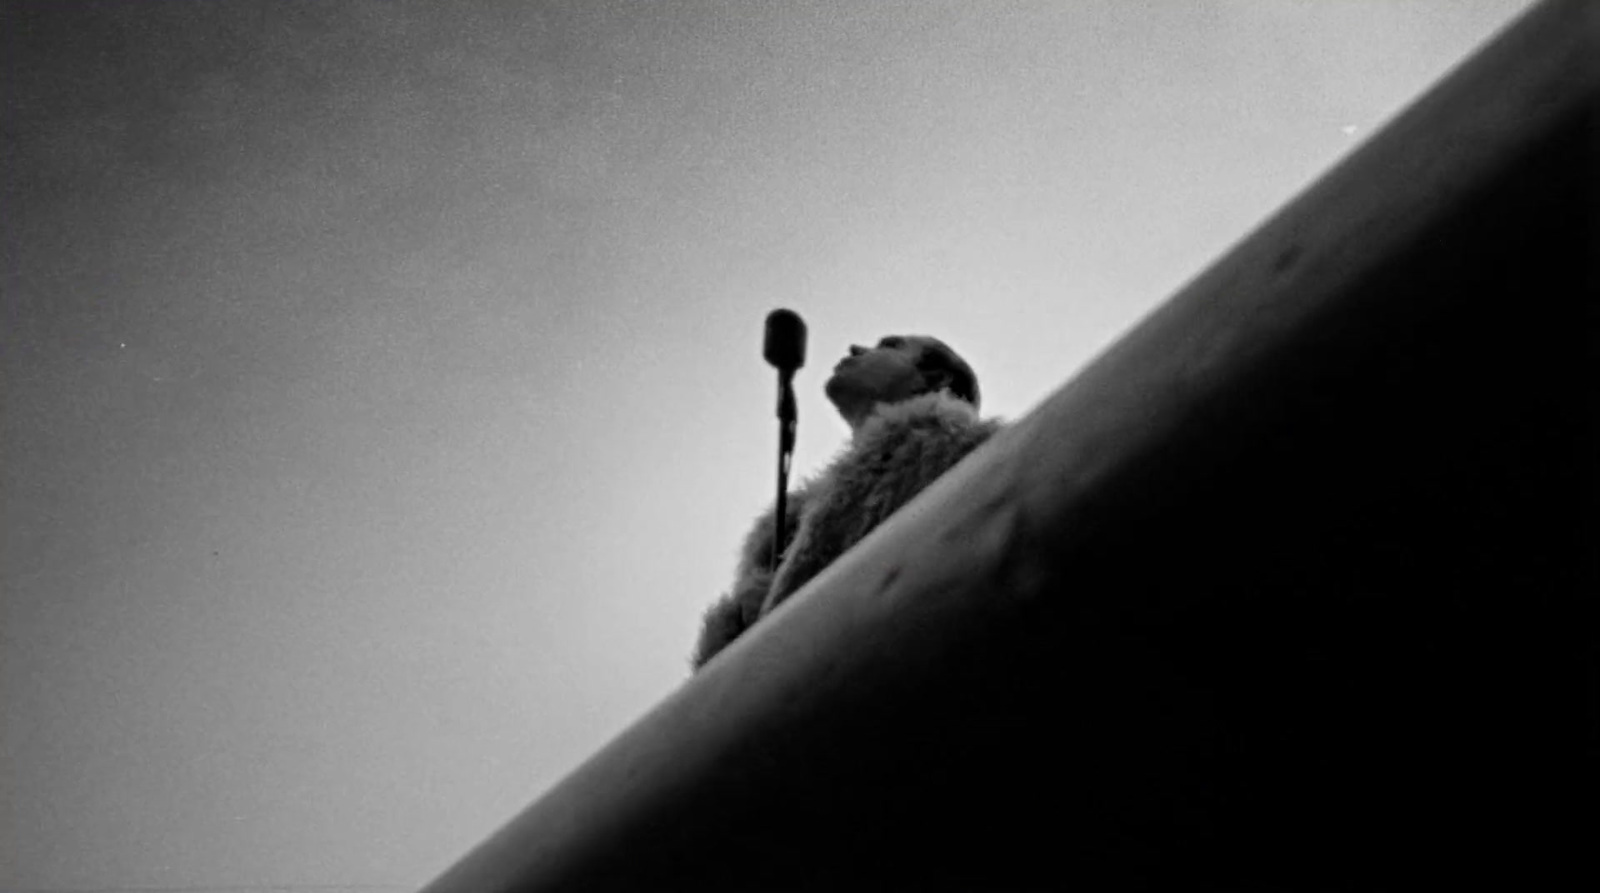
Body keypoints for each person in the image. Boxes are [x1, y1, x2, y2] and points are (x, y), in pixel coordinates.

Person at [691, 334, 1001, 670]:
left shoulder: (975, 462)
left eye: (890, 346)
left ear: (936, 378)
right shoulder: (787, 531)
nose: (856, 349)